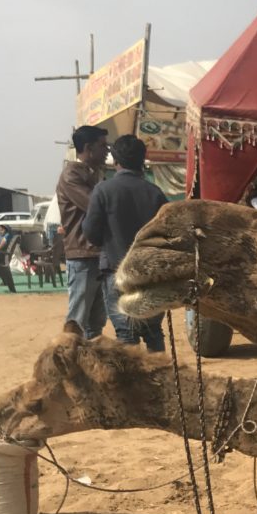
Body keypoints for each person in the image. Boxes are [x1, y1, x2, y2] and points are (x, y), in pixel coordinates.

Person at [82, 134, 168, 352]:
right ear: (142, 161)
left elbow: (91, 233)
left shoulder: (103, 191)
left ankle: (132, 383)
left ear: (116, 161)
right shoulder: (155, 194)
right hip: (150, 275)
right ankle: (160, 380)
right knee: (153, 332)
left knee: (125, 333)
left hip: (116, 272)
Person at [58, 124, 110, 338]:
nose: (107, 150)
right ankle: (69, 365)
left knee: (96, 322)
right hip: (82, 254)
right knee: (77, 322)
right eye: (102, 146)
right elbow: (95, 206)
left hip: (97, 254)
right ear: (88, 148)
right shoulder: (71, 174)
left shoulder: (95, 174)